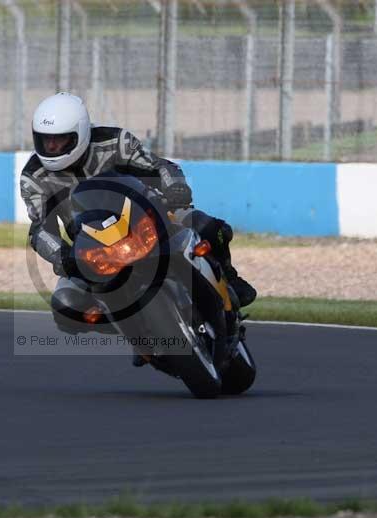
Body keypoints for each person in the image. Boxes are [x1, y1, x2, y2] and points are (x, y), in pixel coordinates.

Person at [19, 92, 256, 363]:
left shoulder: (114, 142)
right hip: (92, 247)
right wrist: (62, 256)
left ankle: (229, 278)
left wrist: (175, 187)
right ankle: (136, 332)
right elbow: (39, 229)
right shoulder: (34, 177)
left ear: (80, 133)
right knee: (65, 308)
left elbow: (160, 167)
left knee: (208, 226)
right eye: (46, 139)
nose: (52, 146)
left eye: (60, 139)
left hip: (144, 217)